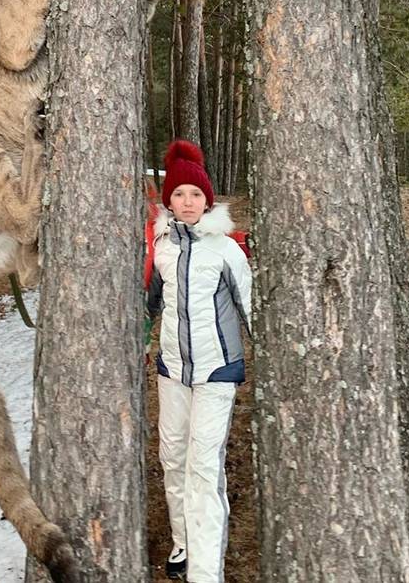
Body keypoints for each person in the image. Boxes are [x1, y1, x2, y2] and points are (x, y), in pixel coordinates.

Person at [146, 140, 252, 582]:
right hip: (173, 371)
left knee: (203, 467)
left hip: (216, 373)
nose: (187, 202)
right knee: (173, 457)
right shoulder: (162, 247)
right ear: (168, 201)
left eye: (195, 195)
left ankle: (205, 572)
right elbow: (152, 304)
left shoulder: (225, 249)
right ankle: (184, 543)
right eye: (178, 194)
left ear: (208, 201)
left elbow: (250, 305)